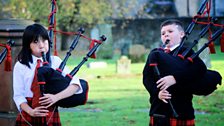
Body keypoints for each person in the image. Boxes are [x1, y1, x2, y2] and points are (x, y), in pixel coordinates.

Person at [13, 23, 83, 126]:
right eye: (35, 41)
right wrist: (30, 111)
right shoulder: (21, 65)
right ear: (28, 45)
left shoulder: (55, 61)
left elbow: (75, 84)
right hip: (28, 112)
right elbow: (18, 95)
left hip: (50, 113)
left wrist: (56, 97)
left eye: (44, 40)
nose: (41, 45)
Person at [143, 19, 207, 126]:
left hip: (181, 109)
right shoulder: (155, 53)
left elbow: (200, 69)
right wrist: (157, 93)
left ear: (182, 34)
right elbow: (147, 78)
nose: (166, 35)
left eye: (170, 31)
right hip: (158, 110)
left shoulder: (187, 52)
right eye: (163, 33)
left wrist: (174, 78)